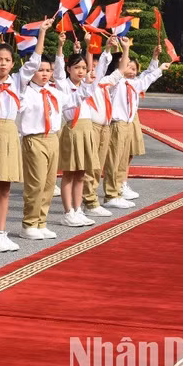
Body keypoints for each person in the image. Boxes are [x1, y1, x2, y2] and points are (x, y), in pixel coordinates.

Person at [0, 19, 51, 252]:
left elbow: (34, 62)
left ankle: (1, 232)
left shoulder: (17, 80)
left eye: (7, 60)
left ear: (12, 63)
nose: (3, 64)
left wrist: (41, 34)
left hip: (9, 133)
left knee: (5, 187)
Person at [18, 51, 95, 240]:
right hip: (34, 139)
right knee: (36, 183)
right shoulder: (24, 92)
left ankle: (41, 222)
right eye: (40, 70)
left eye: (48, 70)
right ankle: (29, 223)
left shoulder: (54, 92)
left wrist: (88, 84)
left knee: (49, 184)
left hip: (53, 138)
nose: (45, 74)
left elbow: (73, 101)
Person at [54, 34, 125, 226]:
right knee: (70, 173)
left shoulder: (88, 86)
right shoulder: (63, 85)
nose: (80, 71)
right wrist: (60, 47)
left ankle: (77, 209)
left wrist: (107, 49)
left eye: (83, 68)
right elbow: (59, 70)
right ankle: (68, 212)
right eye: (76, 67)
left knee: (81, 173)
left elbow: (99, 70)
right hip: (73, 128)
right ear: (69, 69)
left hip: (86, 130)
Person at [102, 39, 170, 209]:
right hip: (116, 124)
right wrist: (124, 49)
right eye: (128, 67)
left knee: (122, 160)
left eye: (133, 69)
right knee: (114, 160)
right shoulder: (115, 82)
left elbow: (145, 79)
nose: (132, 71)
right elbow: (140, 78)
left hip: (126, 124)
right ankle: (111, 194)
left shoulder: (130, 83)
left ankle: (117, 192)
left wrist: (156, 61)